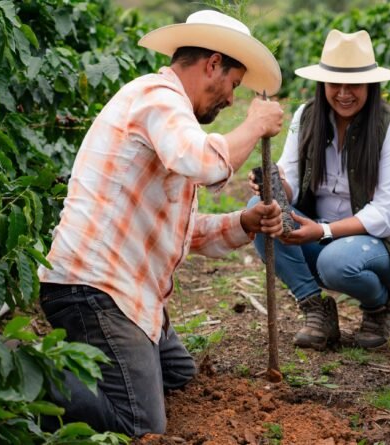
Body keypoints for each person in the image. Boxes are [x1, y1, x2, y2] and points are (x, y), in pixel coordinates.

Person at [36, 10, 285, 436]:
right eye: (233, 85)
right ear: (211, 64)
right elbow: (205, 161)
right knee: (141, 423)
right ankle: (20, 375)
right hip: (93, 289)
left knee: (180, 378)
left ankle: (85, 369)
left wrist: (244, 221)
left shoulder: (170, 116)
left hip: (127, 293)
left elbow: (179, 230)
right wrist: (253, 124)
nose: (230, 99)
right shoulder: (158, 97)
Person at [247, 29, 390, 351]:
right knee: (260, 211)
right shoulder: (307, 117)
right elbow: (293, 186)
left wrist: (323, 231)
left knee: (335, 262)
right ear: (322, 84)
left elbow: (384, 215)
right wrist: (273, 185)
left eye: (354, 85)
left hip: (384, 246)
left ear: (370, 85)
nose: (344, 93)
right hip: (323, 237)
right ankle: (316, 310)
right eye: (335, 84)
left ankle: (379, 305)